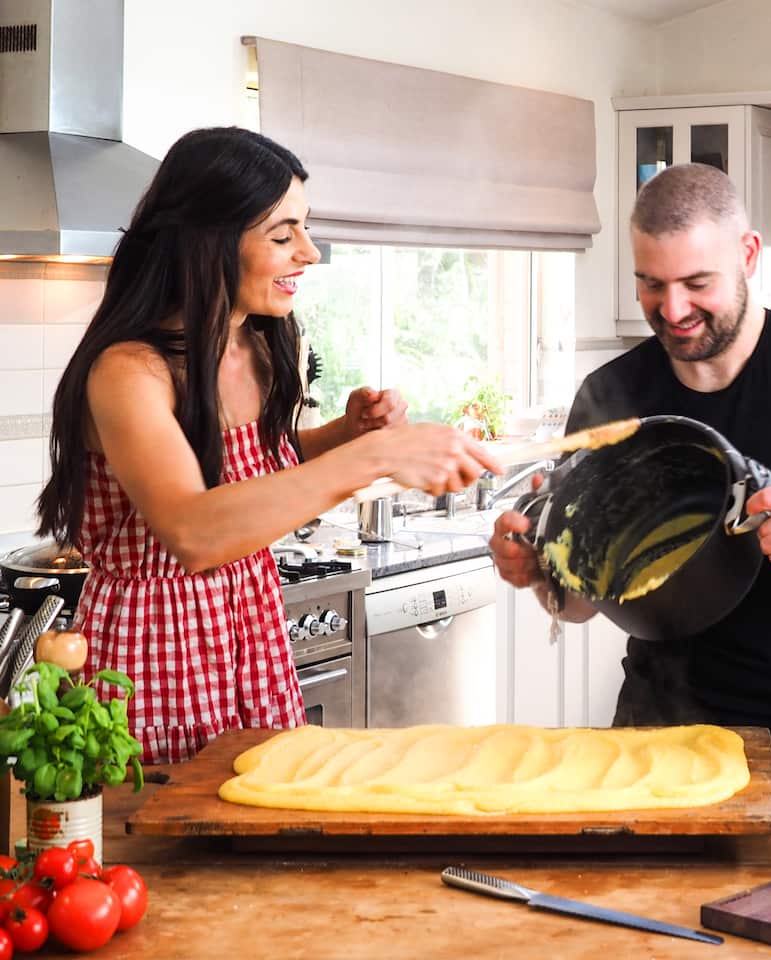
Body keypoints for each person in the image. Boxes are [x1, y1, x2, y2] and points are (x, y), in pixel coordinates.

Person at [36, 127, 501, 764]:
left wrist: (342, 435)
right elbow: (195, 532)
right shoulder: (129, 371)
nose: (308, 252)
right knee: (171, 850)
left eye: (304, 230)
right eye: (282, 236)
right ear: (210, 242)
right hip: (153, 649)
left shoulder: (258, 343)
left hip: (250, 631)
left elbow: (250, 476)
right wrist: (369, 459)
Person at [490, 163, 771, 766]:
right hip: (654, 739)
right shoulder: (611, 399)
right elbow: (581, 602)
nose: (673, 308)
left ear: (749, 254)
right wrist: (537, 569)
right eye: (651, 284)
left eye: (696, 282)